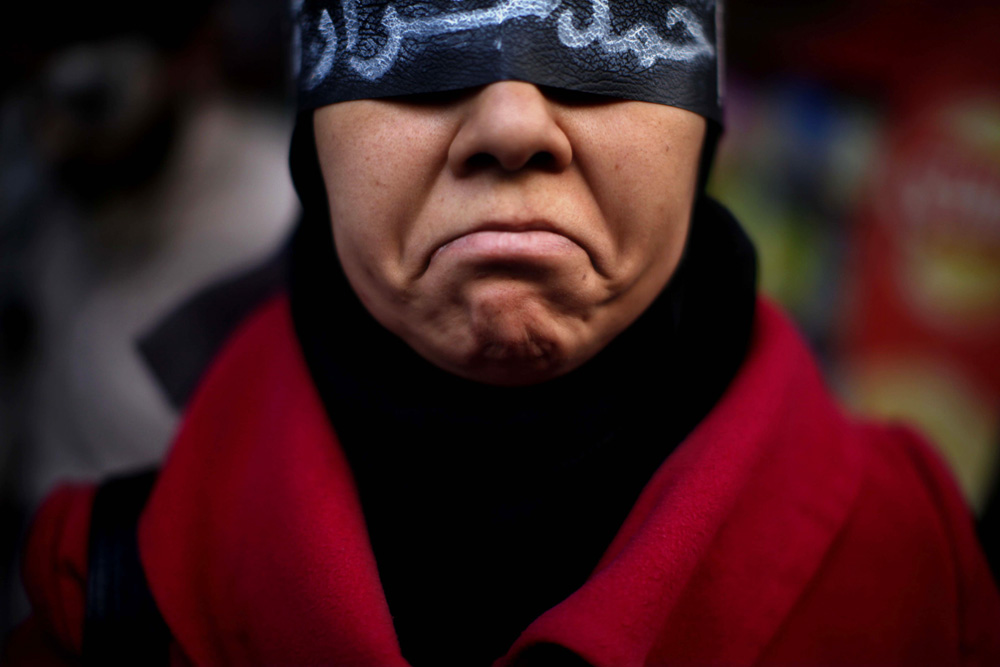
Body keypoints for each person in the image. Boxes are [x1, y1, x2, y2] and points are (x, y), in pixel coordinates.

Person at [6, 0, 1000, 664]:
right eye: (416, 21)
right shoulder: (99, 591)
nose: (514, 121)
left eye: (603, 20)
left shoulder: (916, 568)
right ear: (315, 130)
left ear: (704, 120)